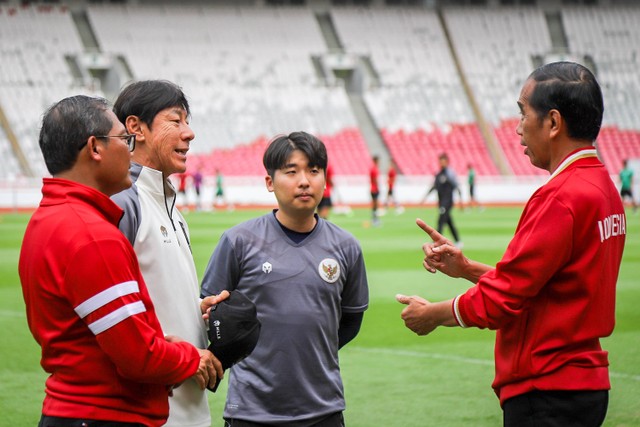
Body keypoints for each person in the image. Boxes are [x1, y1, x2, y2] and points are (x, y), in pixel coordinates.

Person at [397, 62, 626, 427]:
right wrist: (467, 268)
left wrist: (433, 315)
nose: (518, 128)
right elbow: (543, 288)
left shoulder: (560, 197)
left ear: (553, 123)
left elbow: (503, 299)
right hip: (581, 383)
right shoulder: (604, 189)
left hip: (546, 388)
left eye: (523, 113)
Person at [19, 95, 221, 427]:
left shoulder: (48, 220)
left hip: (71, 406)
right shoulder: (92, 234)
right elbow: (137, 356)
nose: (130, 151)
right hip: (105, 414)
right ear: (94, 148)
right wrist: (190, 356)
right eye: (124, 141)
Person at [201, 131, 369, 427]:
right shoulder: (238, 241)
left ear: (325, 180)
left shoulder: (346, 247)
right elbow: (208, 311)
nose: (304, 181)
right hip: (251, 412)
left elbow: (351, 321)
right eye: (291, 172)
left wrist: (311, 351)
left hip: (323, 409)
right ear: (269, 182)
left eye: (313, 171)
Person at [111, 80, 224, 427]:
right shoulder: (122, 204)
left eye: (187, 122)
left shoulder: (170, 206)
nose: (189, 133)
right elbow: (112, 317)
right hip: (147, 412)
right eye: (176, 121)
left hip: (189, 407)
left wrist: (198, 310)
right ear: (135, 128)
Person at [422, 153, 463, 246]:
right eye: (440, 162)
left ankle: (436, 241)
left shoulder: (450, 174)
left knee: (441, 220)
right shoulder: (438, 174)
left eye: (443, 162)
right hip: (441, 202)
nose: (441, 163)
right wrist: (425, 197)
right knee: (448, 221)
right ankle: (458, 241)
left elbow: (457, 187)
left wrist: (461, 202)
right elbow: (434, 187)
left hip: (447, 202)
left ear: (447, 162)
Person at [369, 155, 381, 226]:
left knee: (375, 205)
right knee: (375, 205)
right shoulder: (374, 169)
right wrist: (378, 187)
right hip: (374, 189)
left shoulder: (373, 168)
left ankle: (374, 219)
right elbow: (375, 180)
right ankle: (375, 220)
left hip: (373, 188)